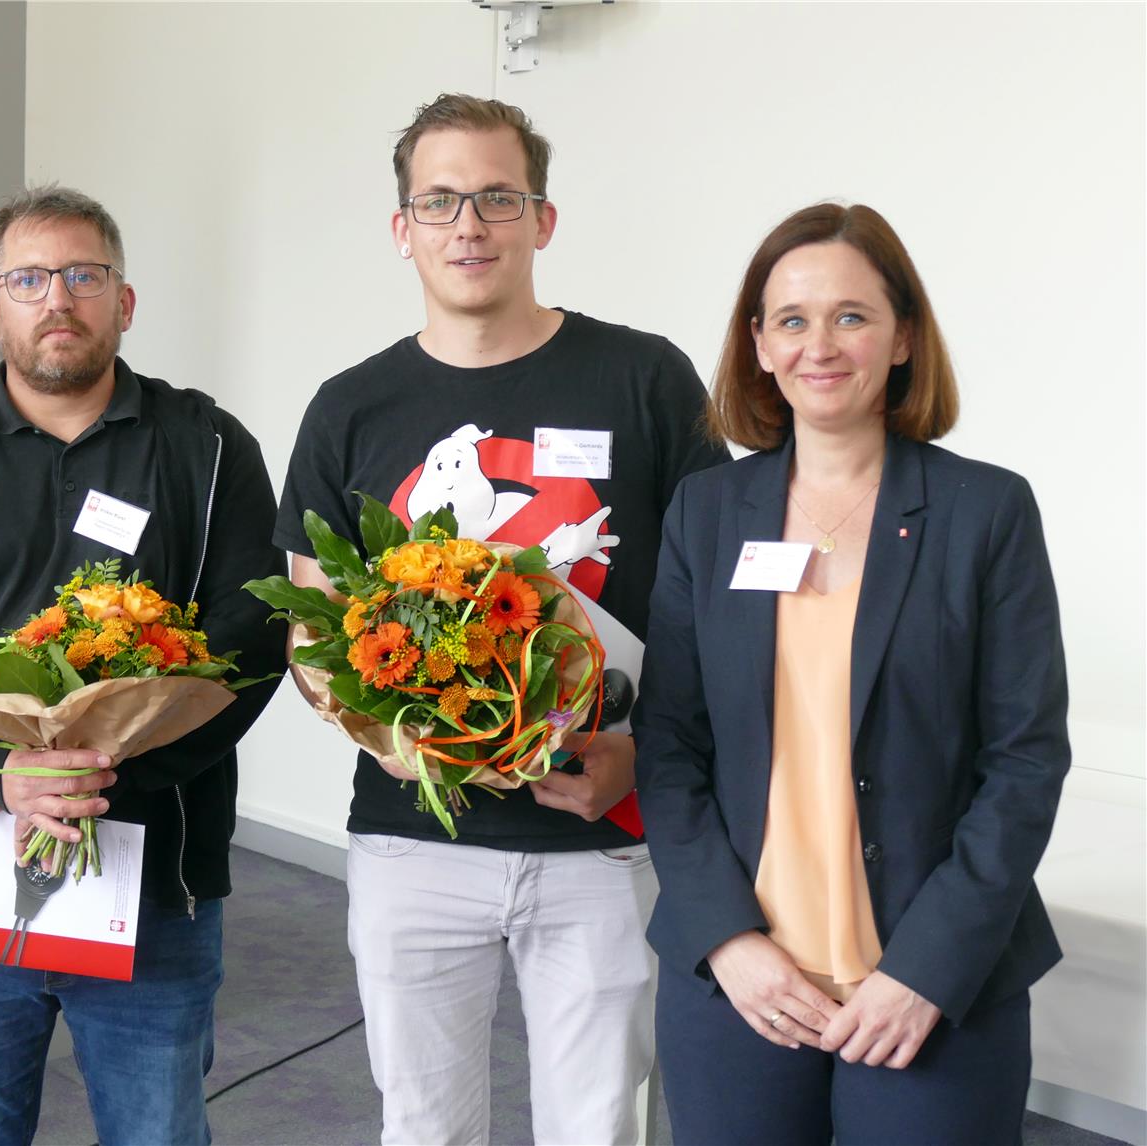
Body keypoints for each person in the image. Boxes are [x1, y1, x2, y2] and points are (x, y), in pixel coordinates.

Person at [275, 94, 730, 1145]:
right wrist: (401, 738)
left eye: (497, 197)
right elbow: (313, 627)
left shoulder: (644, 378)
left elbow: (715, 607)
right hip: (413, 840)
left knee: (596, 1127)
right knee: (425, 1127)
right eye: (439, 202)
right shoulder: (349, 407)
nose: (468, 225)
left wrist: (644, 757)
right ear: (403, 229)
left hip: (603, 834)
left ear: (542, 219)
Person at [0, 184, 285, 1146]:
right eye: (29, 279)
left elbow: (250, 637)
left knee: (158, 1134)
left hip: (156, 882)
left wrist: (98, 770)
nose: (58, 299)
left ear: (125, 301)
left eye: (84, 275)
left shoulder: (208, 448)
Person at [633, 202, 1070, 1145]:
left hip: (929, 989)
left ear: (904, 335)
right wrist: (727, 939)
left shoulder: (986, 511)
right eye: (791, 319)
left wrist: (927, 971)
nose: (819, 345)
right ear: (758, 344)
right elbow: (667, 746)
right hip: (743, 984)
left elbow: (1025, 760)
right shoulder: (705, 512)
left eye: (852, 316)